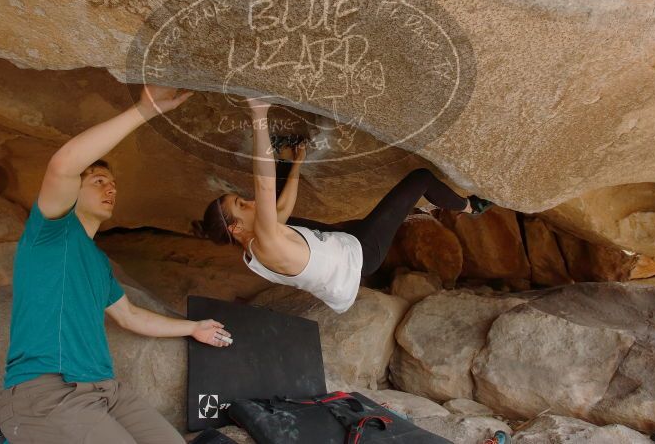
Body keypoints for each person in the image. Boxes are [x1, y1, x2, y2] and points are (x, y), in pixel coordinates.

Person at [0, 85, 232, 444]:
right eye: (98, 180)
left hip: (106, 392)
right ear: (72, 191)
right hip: (50, 391)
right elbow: (62, 165)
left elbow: (129, 317)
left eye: (113, 183)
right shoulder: (50, 233)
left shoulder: (98, 262)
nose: (111, 188)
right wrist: (145, 110)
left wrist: (192, 328)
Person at [198, 99, 492, 314]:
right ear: (235, 227)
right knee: (421, 179)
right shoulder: (266, 244)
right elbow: (264, 186)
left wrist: (297, 162)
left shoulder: (257, 248)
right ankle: (468, 207)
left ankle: (286, 159)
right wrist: (259, 113)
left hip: (341, 246)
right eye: (240, 204)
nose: (249, 202)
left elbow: (281, 209)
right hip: (362, 254)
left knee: (284, 216)